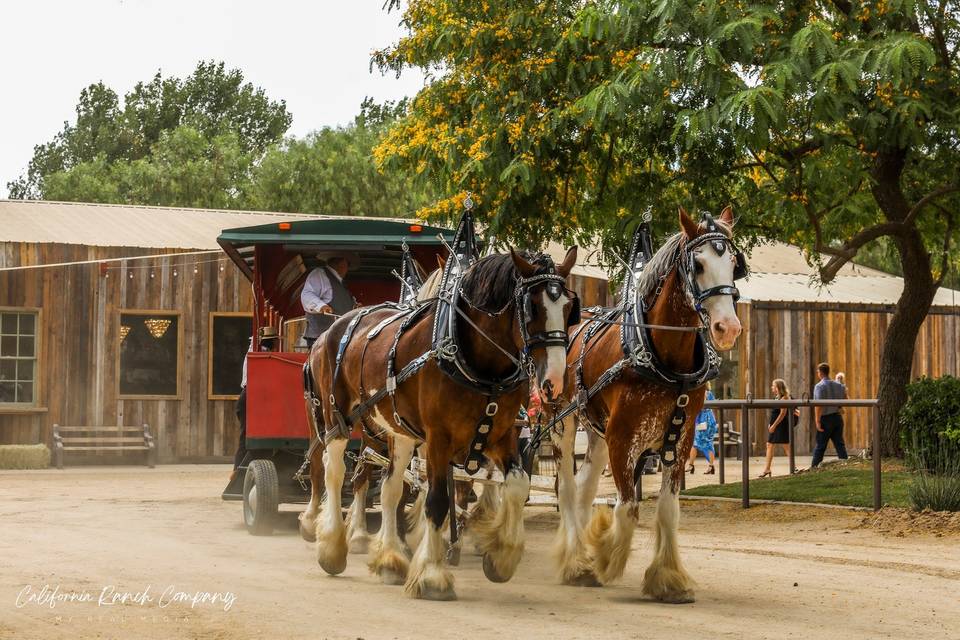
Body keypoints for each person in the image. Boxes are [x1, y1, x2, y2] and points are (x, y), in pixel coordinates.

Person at [223, 327, 279, 496]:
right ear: (271, 342)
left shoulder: (261, 353)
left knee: (247, 437)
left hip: (251, 396)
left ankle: (238, 473)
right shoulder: (259, 354)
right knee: (247, 437)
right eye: (275, 341)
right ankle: (237, 474)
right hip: (250, 397)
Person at [301, 255, 356, 349]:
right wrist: (321, 306)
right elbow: (307, 295)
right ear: (342, 263)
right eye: (348, 265)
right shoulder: (320, 274)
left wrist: (354, 306)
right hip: (321, 337)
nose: (347, 269)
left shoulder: (341, 284)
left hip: (340, 336)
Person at [812, 362, 848, 467]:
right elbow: (845, 400)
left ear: (820, 373)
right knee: (840, 444)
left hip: (825, 419)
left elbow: (818, 405)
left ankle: (814, 468)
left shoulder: (819, 386)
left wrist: (817, 421)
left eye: (818, 371)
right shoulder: (839, 385)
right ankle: (846, 465)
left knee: (820, 446)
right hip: (837, 418)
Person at [759, 378, 797, 478]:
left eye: (773, 386)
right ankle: (767, 469)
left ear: (778, 387)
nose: (772, 387)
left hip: (781, 425)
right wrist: (770, 424)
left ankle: (794, 467)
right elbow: (775, 413)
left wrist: (774, 425)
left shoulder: (785, 398)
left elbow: (782, 413)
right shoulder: (777, 397)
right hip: (775, 425)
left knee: (786, 446)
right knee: (770, 445)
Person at [687, 385, 718, 475]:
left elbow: (713, 405)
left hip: (706, 421)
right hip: (702, 420)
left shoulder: (706, 394)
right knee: (696, 443)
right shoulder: (699, 394)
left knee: (706, 442)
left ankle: (710, 466)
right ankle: (692, 465)